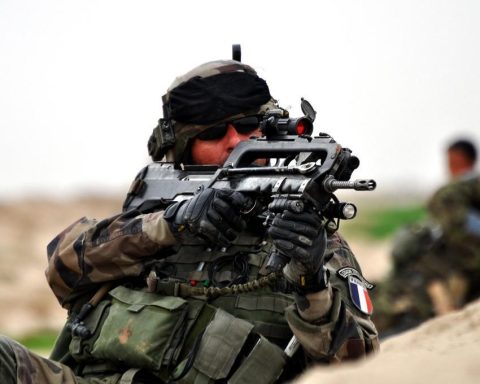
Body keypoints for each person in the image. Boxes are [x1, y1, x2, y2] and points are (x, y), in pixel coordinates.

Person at [0, 58, 379, 383]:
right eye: (214, 132)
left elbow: (362, 369)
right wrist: (172, 226)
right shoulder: (150, 223)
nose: (235, 143)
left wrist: (311, 285)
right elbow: (62, 270)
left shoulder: (315, 244)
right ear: (182, 145)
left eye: (248, 126)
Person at [371, 138, 480, 337]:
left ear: (458, 159)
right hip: (453, 276)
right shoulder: (469, 190)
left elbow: (460, 238)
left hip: (440, 276)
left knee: (391, 304)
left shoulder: (453, 192)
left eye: (450, 161)